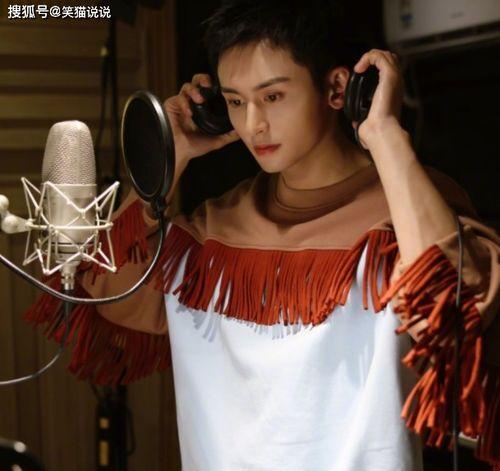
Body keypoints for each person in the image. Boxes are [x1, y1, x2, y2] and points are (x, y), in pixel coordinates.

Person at [25, 1, 499, 469]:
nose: (253, 125)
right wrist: (168, 156)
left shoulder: (408, 207)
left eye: (273, 97)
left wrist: (386, 134)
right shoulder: (215, 227)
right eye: (235, 102)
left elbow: (458, 313)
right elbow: (100, 289)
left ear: (337, 89)